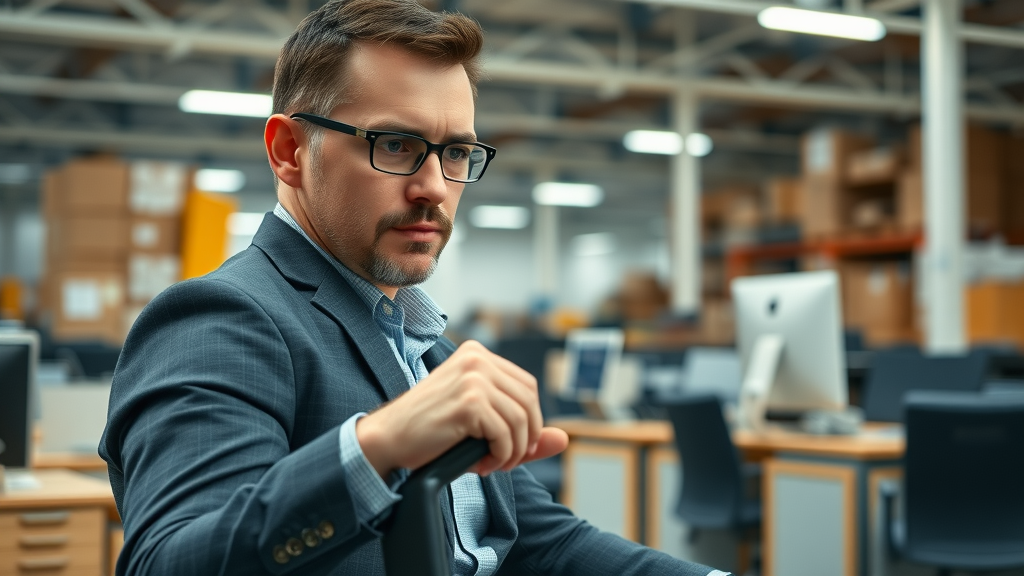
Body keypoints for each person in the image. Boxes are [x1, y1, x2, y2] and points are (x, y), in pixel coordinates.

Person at [99, 1, 728, 575]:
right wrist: (375, 447)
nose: (433, 185)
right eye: (395, 145)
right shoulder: (221, 318)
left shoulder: (428, 350)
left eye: (455, 154)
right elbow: (168, 562)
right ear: (290, 150)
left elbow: (537, 542)